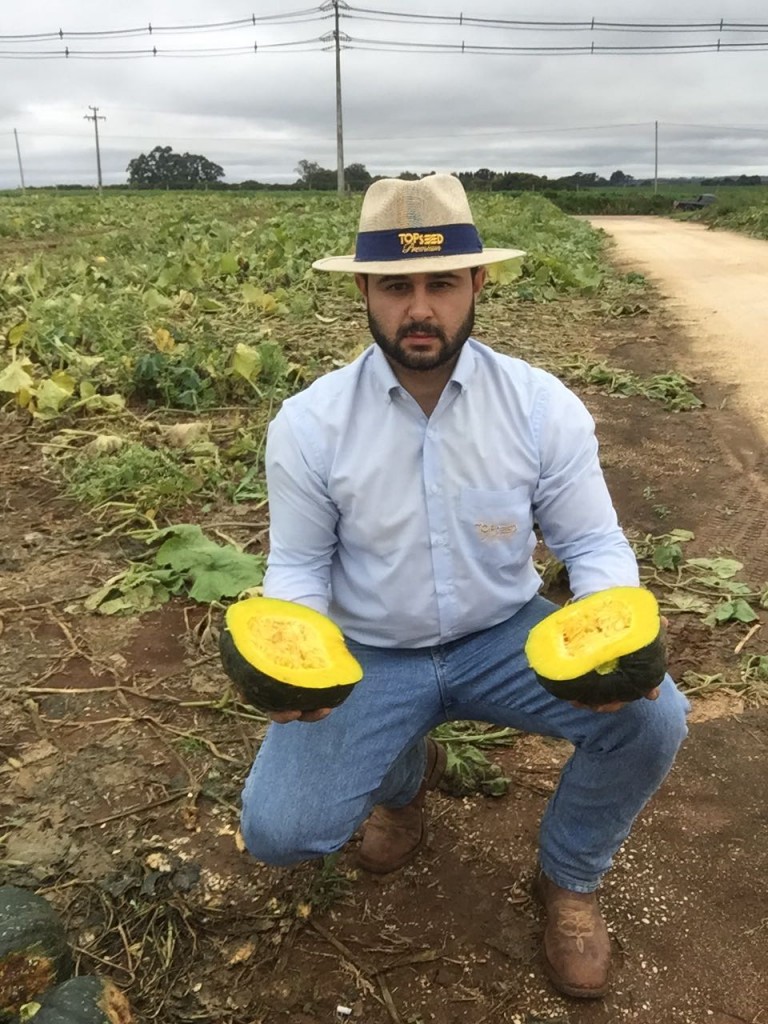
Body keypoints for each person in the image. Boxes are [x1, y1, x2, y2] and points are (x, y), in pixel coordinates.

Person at [239, 174, 689, 1000]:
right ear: (364, 292)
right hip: (372, 652)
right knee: (279, 831)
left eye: (441, 282)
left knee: (655, 718)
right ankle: (406, 783)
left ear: (478, 283)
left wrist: (612, 636)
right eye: (396, 286)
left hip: (502, 636)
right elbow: (298, 571)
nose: (420, 308)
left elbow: (591, 540)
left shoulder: (539, 407)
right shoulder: (309, 426)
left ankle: (569, 878)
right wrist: (294, 664)